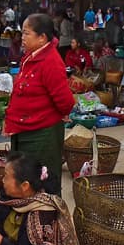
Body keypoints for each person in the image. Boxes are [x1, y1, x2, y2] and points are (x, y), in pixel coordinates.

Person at [4, 13, 75, 195]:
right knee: (24, 178)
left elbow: (65, 102)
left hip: (42, 133)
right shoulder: (30, 56)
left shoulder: (51, 61)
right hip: (24, 128)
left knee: (43, 180)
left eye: (27, 33)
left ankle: (46, 220)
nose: (22, 38)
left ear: (42, 37)